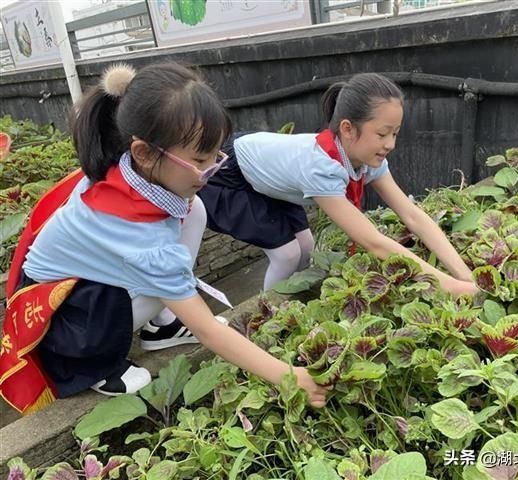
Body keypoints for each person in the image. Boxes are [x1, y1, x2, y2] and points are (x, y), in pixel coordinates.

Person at [0, 62, 329, 414]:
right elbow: (208, 330)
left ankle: (161, 328)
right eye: (199, 159)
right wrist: (289, 376)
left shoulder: (125, 168)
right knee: (167, 290)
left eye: (215, 156)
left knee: (195, 211)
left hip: (79, 285)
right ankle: (94, 365)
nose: (210, 171)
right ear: (144, 152)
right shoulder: (138, 234)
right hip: (60, 322)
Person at [197, 73, 479, 296]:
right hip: (229, 172)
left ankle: (287, 303)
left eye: (395, 133)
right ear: (347, 128)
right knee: (286, 253)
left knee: (305, 247)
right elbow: (374, 242)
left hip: (265, 173)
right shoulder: (323, 168)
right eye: (382, 133)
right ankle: (265, 314)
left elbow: (412, 215)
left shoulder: (367, 158)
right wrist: (450, 287)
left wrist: (464, 274)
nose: (391, 144)